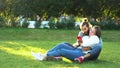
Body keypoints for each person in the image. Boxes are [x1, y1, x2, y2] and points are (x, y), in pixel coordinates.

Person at [32, 25, 102, 63]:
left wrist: (81, 43)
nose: (90, 32)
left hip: (81, 53)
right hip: (77, 49)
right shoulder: (87, 36)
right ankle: (46, 54)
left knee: (62, 51)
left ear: (96, 34)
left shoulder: (95, 38)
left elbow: (83, 44)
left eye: (92, 31)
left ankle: (44, 56)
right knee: (61, 45)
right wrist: (81, 34)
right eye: (91, 30)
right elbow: (80, 42)